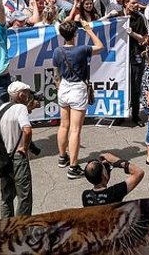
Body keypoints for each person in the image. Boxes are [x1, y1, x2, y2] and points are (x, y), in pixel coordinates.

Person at [53, 19, 105, 180]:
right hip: (77, 89)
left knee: (64, 125)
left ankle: (63, 157)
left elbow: (56, 74)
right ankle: (73, 167)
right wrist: (88, 30)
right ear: (75, 34)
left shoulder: (57, 51)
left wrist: (59, 87)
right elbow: (100, 46)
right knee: (75, 129)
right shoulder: (81, 50)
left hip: (63, 87)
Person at [0, 81, 37, 218]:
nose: (28, 96)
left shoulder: (2, 107)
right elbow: (27, 130)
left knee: (6, 196)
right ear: (20, 95)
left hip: (4, 157)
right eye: (26, 94)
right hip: (17, 158)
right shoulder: (21, 108)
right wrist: (24, 147)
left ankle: (5, 226)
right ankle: (21, 228)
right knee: (24, 196)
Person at [123, 0, 149, 126]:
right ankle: (120, 114)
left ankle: (135, 115)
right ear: (125, 4)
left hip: (136, 56)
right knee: (121, 86)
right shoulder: (118, 17)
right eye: (132, 3)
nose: (135, 5)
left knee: (135, 87)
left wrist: (132, 33)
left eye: (136, 3)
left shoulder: (140, 18)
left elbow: (144, 39)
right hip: (120, 58)